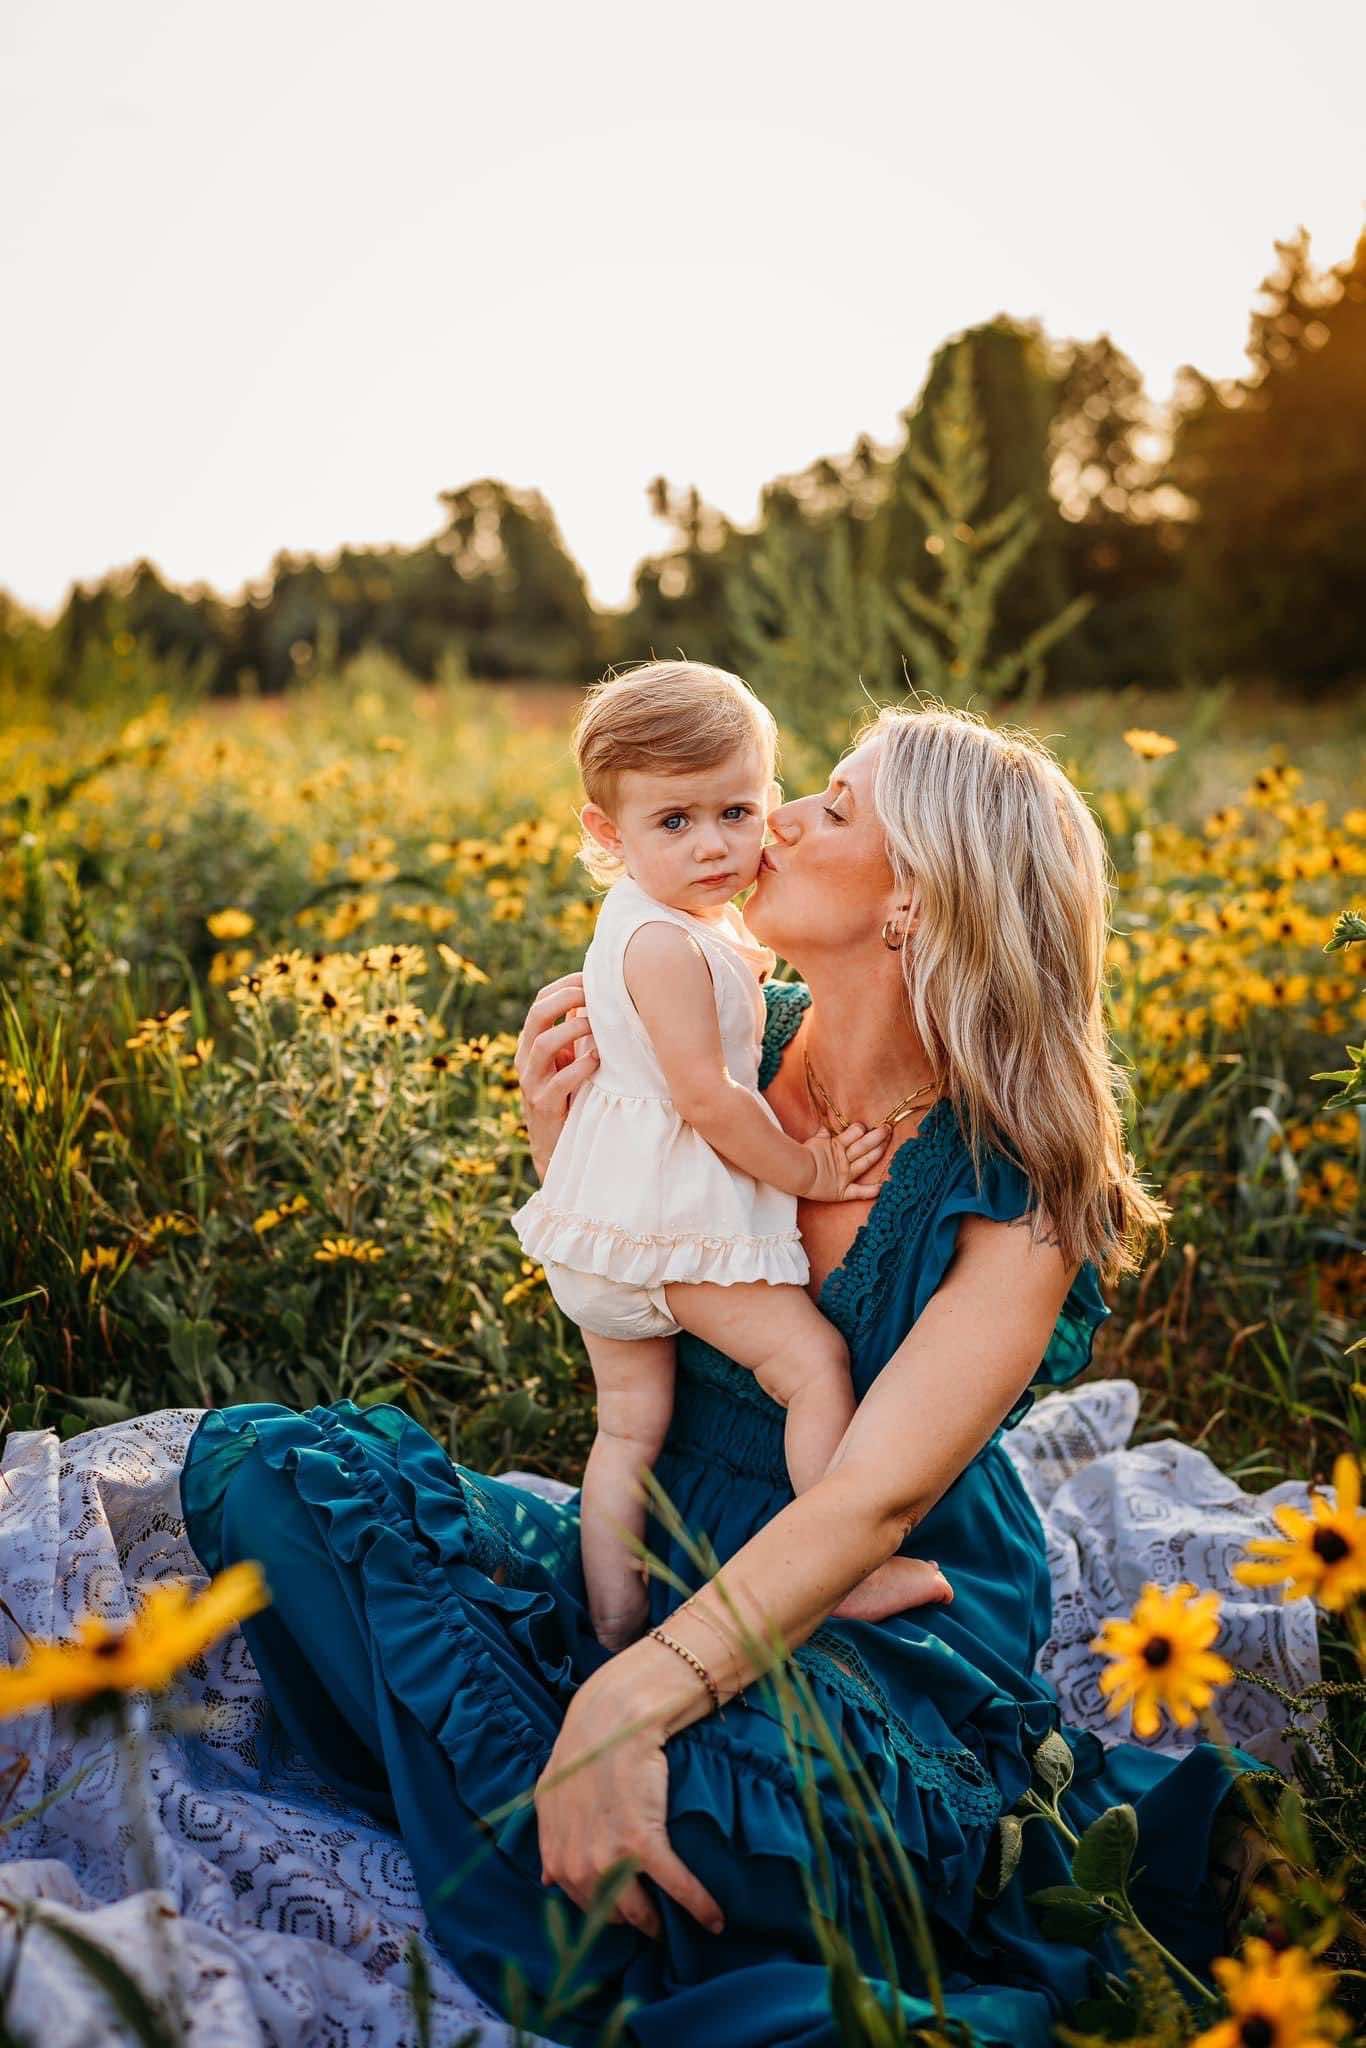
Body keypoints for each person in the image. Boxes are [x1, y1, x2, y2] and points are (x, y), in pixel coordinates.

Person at [179, 703, 1266, 2048]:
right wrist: (567, 1154)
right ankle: (598, 1840)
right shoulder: (709, 1035)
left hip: (861, 1609)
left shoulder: (1017, 1190)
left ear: (914, 898)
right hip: (660, 1527)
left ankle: (592, 1809)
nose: (775, 818)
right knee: (264, 1472)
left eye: (831, 804)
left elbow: (864, 1507)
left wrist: (627, 1694)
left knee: (751, 1811)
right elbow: (635, 1312)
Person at [513, 662, 950, 1648]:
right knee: (809, 1361)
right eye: (676, 822)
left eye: (738, 809)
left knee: (626, 1432)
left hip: (609, 1233)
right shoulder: (667, 947)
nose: (717, 844)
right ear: (606, 832)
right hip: (666, 1231)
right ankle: (849, 1559)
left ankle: (613, 1625)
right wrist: (806, 1170)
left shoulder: (665, 921)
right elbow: (710, 1096)